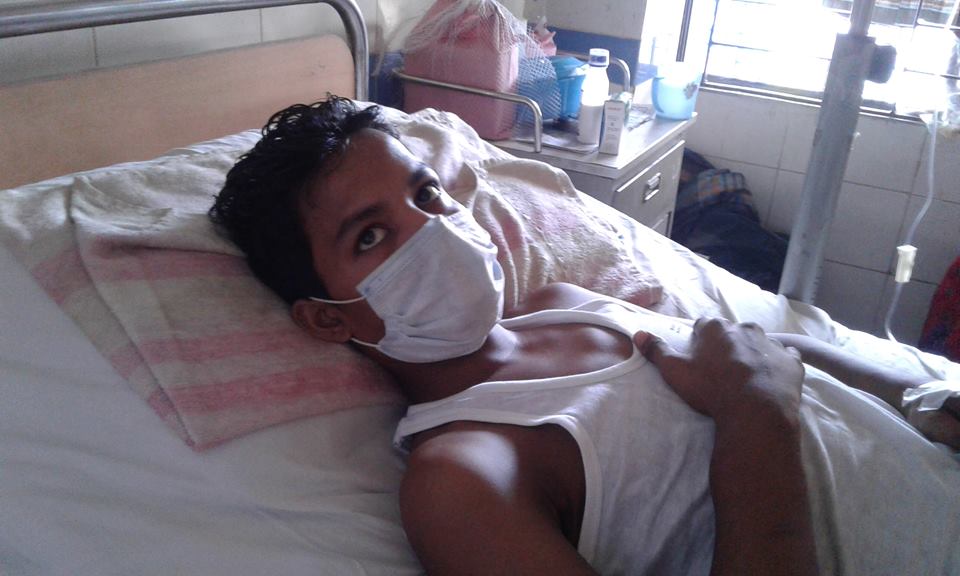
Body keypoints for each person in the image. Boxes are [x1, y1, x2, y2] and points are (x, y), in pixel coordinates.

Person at [209, 97, 960, 575]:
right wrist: (753, 415)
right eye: (371, 236)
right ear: (329, 316)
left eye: (426, 192)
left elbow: (755, 355)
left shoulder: (563, 303)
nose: (434, 230)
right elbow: (753, 385)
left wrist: (916, 395)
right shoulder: (462, 477)